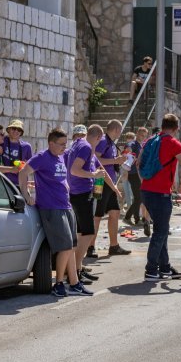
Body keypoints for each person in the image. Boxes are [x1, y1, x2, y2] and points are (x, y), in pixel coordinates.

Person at [19, 127, 92, 296]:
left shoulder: (60, 157)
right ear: (51, 143)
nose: (64, 147)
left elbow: (60, 179)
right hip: (51, 208)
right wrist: (26, 194)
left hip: (65, 205)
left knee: (72, 246)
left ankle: (74, 283)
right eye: (60, 144)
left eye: (65, 144)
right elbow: (23, 172)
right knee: (65, 247)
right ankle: (58, 283)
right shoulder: (42, 157)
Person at [138, 114, 181, 281]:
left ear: (162, 125)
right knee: (161, 231)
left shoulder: (151, 140)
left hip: (146, 190)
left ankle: (165, 268)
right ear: (176, 128)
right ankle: (151, 269)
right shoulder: (173, 143)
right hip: (160, 193)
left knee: (161, 229)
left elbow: (138, 162)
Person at [66, 124, 106, 284]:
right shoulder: (86, 147)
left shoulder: (78, 144)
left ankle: (78, 269)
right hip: (81, 193)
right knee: (88, 233)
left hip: (77, 193)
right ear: (98, 137)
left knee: (81, 232)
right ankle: (75, 270)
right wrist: (93, 174)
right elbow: (75, 170)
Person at [92, 120, 129, 257]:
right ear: (116, 130)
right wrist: (115, 161)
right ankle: (91, 247)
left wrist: (118, 160)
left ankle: (114, 246)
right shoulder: (103, 141)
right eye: (120, 130)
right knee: (97, 215)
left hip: (109, 183)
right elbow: (95, 160)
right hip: (100, 183)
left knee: (115, 213)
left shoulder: (110, 142)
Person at [124, 127, 148, 226]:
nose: (142, 137)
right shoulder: (133, 143)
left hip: (138, 174)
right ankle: (131, 218)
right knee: (139, 198)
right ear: (137, 133)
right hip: (133, 174)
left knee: (139, 197)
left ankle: (132, 218)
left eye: (144, 136)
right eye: (141, 135)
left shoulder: (140, 145)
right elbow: (128, 149)